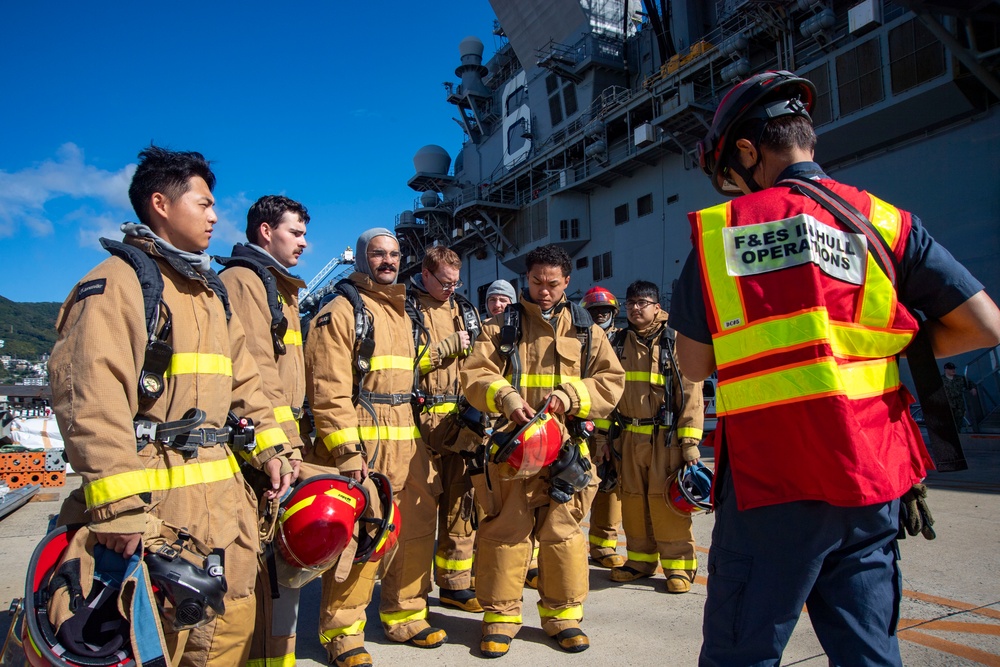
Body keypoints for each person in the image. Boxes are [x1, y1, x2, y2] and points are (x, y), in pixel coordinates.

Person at [669, 70, 1000, 666]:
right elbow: (984, 326)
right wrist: (879, 345)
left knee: (741, 651)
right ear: (808, 140)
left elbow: (693, 364)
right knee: (869, 652)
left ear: (748, 150)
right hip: (873, 476)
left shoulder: (723, 232)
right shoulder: (886, 221)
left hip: (770, 485)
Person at [48, 146, 294, 666]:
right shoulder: (116, 285)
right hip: (157, 511)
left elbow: (248, 385)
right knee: (164, 642)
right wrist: (118, 510)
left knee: (229, 631)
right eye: (203, 203)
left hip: (227, 505)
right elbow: (89, 401)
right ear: (160, 203)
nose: (214, 215)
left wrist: (274, 451)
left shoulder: (210, 296)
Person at [461, 244, 625, 658]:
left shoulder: (588, 330)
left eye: (553, 284)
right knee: (505, 532)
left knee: (563, 536)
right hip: (512, 454)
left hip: (566, 452)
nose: (545, 291)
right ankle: (499, 617)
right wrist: (507, 399)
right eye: (536, 282)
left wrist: (570, 396)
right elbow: (475, 374)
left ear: (567, 282)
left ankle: (563, 617)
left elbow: (610, 380)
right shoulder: (500, 327)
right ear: (526, 281)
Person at [304, 228, 435, 667]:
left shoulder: (402, 312)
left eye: (394, 254)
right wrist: (347, 452)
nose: (388, 261)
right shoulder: (342, 310)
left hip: (407, 439)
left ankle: (405, 613)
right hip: (367, 436)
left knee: (413, 531)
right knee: (362, 540)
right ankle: (343, 633)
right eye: (378, 254)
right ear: (362, 258)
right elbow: (327, 389)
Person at [217, 194, 309, 666]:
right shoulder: (245, 281)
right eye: (295, 233)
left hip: (278, 442)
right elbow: (254, 375)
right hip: (263, 451)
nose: (305, 244)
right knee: (259, 570)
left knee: (279, 572)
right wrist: (283, 448)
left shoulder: (277, 285)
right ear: (265, 232)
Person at [387, 245, 482, 629]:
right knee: (418, 513)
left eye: (456, 283)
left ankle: (456, 583)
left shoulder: (464, 309)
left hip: (461, 419)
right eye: (444, 282)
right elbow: (396, 368)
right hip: (420, 420)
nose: (450, 289)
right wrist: (443, 350)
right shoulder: (404, 310)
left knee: (463, 505)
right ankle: (412, 592)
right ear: (424, 274)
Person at [606, 280, 704, 592]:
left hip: (666, 438)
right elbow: (607, 393)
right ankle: (639, 561)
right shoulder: (619, 342)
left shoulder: (674, 339)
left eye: (643, 303)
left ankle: (678, 567)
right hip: (629, 437)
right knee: (633, 504)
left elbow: (692, 393)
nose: (636, 308)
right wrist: (602, 442)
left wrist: (689, 443)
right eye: (632, 302)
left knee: (667, 504)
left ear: (657, 306)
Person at [580, 286, 626, 569]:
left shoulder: (623, 341)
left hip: (616, 428)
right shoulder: (579, 340)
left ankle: (603, 546)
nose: (600, 316)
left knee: (611, 487)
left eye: (605, 312)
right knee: (577, 484)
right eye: (595, 312)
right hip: (584, 427)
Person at [942, 362, 977, 430]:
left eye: (954, 368)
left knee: (959, 422)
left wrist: (973, 388)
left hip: (959, 405)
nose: (953, 370)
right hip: (948, 404)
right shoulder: (942, 379)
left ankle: (958, 434)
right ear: (946, 370)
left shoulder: (960, 378)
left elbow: (970, 383)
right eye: (951, 369)